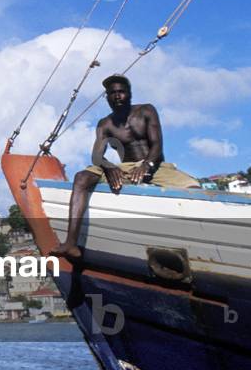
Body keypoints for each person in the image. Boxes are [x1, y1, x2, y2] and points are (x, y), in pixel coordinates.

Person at [50, 74, 199, 259]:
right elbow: (97, 155)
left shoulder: (146, 110)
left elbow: (157, 145)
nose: (117, 96)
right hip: (125, 166)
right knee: (81, 177)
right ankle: (70, 243)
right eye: (112, 93)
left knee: (194, 187)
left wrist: (146, 165)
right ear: (107, 97)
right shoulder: (105, 124)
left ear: (129, 93)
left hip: (154, 163)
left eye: (121, 92)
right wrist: (108, 166)